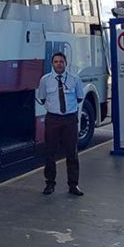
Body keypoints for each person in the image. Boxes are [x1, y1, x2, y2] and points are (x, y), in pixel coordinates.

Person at [37, 52, 84, 196]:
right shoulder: (45, 80)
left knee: (72, 153)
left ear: (66, 63)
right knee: (50, 153)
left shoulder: (75, 79)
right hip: (53, 120)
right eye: (56, 61)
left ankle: (73, 185)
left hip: (69, 119)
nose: (59, 64)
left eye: (61, 61)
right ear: (52, 64)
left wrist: (66, 110)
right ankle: (50, 184)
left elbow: (79, 97)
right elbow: (42, 98)